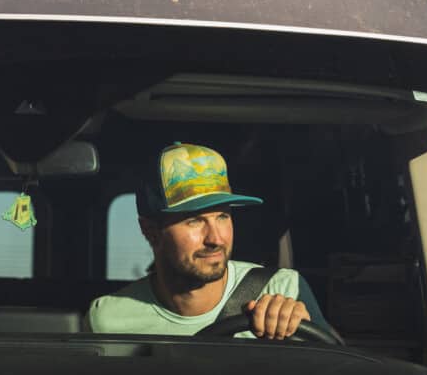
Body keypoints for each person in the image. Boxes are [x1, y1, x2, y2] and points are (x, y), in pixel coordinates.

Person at [88, 142, 330, 339]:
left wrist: (299, 332)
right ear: (150, 230)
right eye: (194, 220)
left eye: (223, 216)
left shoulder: (282, 289)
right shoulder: (108, 318)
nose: (215, 239)